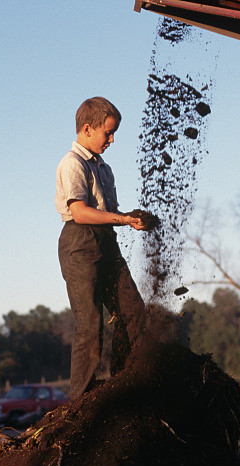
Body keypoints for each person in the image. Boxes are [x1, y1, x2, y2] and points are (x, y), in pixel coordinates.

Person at [55, 96, 150, 398]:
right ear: (86, 129)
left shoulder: (104, 168)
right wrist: (123, 220)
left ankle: (126, 385)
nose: (112, 139)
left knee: (133, 312)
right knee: (90, 324)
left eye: (113, 133)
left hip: (107, 242)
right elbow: (81, 212)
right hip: (80, 243)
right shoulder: (72, 164)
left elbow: (106, 211)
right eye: (107, 132)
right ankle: (79, 403)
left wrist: (130, 218)